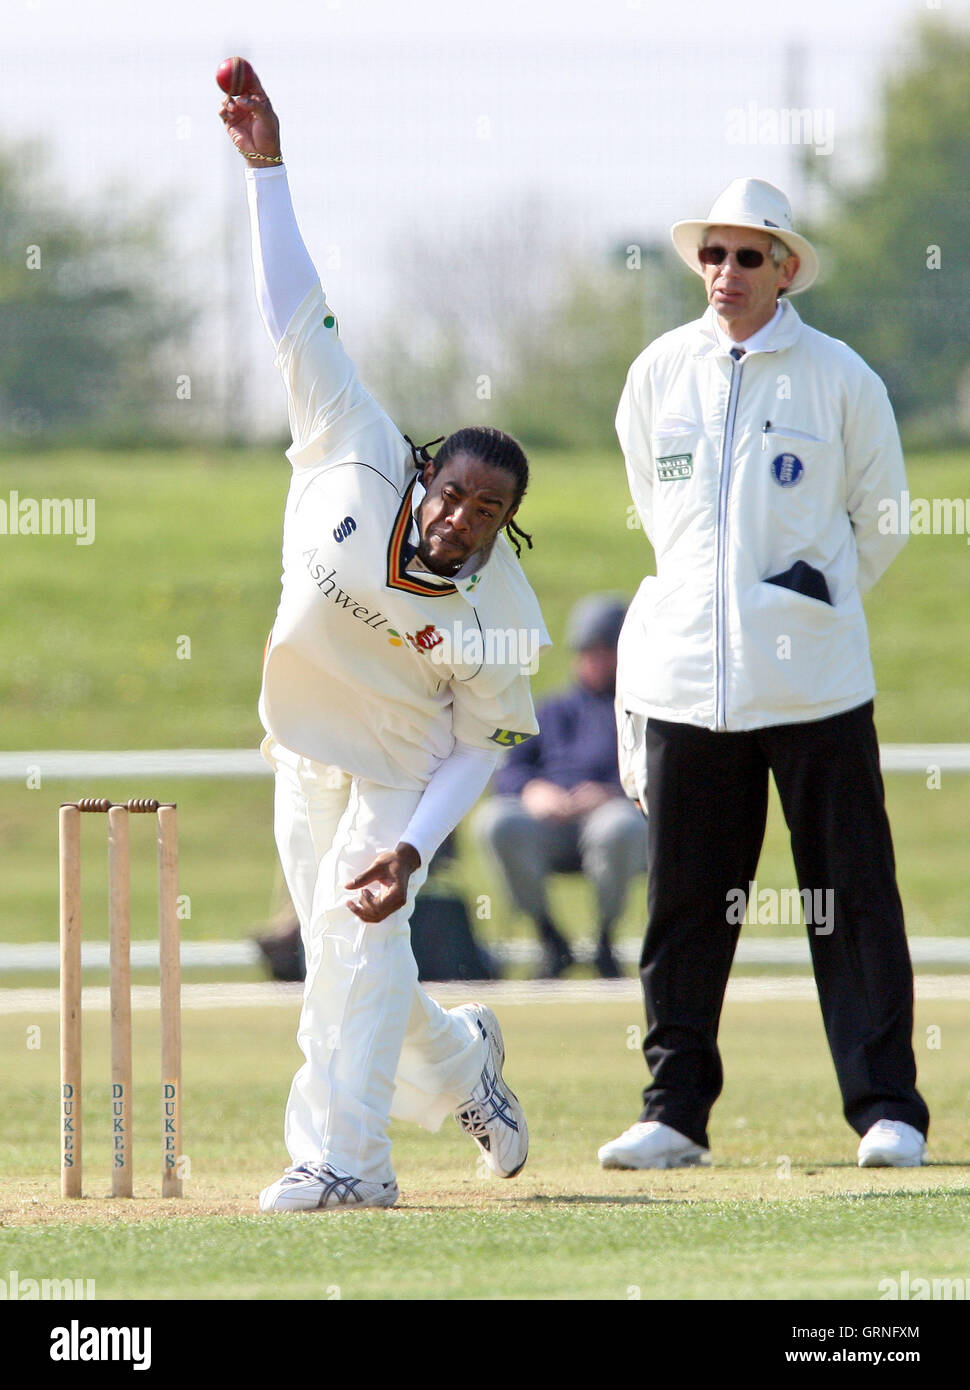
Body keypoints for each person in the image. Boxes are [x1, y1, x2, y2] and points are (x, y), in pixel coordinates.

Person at [219, 64, 550, 1212]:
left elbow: (478, 744)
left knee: (352, 960)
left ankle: (348, 1164)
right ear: (423, 477)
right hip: (299, 746)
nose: (462, 519)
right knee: (350, 953)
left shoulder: (499, 611)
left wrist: (411, 845)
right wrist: (267, 170)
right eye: (454, 494)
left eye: (489, 512)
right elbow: (291, 306)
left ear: (507, 528)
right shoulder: (350, 441)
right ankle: (466, 1064)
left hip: (399, 773)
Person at [599, 177, 929, 1172]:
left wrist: (802, 596)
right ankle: (674, 1111)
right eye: (713, 255)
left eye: (748, 257)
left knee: (851, 895)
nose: (726, 274)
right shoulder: (658, 372)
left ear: (784, 268)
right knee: (683, 905)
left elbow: (883, 518)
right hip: (686, 681)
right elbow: (657, 514)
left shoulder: (838, 377)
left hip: (814, 684)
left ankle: (887, 1108)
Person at [475, 595, 647, 978]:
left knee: (619, 825)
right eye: (587, 651)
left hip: (607, 822)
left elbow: (653, 775)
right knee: (495, 821)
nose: (593, 660)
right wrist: (533, 791)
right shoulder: (549, 710)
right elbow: (508, 770)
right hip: (548, 823)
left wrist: (609, 795)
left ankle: (605, 941)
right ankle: (551, 939)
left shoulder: (638, 714)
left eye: (603, 651)